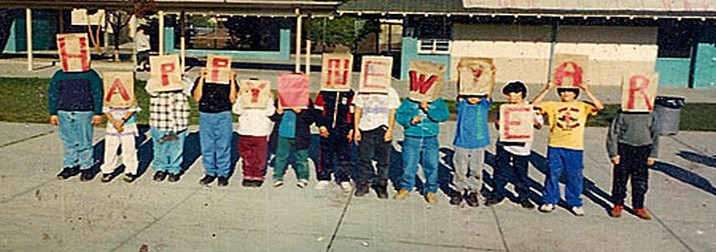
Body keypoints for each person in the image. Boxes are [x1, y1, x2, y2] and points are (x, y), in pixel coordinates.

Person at [532, 81, 604, 216]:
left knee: (574, 175)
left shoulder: (582, 106)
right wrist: (547, 89)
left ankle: (574, 202)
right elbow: (534, 105)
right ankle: (550, 200)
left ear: (575, 94)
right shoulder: (553, 105)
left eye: (569, 91)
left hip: (575, 146)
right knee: (553, 173)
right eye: (563, 91)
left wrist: (586, 89)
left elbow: (599, 107)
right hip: (555, 145)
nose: (565, 94)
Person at [485, 81, 543, 208]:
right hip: (504, 145)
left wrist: (532, 119)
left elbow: (539, 125)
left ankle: (523, 196)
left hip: (522, 147)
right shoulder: (505, 108)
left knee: (521, 174)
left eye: (510, 95)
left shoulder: (531, 108)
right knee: (500, 171)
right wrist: (499, 123)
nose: (508, 98)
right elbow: (498, 126)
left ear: (519, 93)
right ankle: (498, 194)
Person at [49, 69, 104, 181]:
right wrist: (53, 112)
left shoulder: (90, 74)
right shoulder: (60, 74)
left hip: (84, 111)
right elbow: (53, 92)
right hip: (64, 110)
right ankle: (70, 165)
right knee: (68, 140)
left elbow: (98, 92)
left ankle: (86, 166)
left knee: (84, 141)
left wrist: (98, 112)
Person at [394, 97, 449, 203]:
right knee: (409, 163)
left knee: (432, 164)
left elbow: (443, 116)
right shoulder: (409, 101)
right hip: (412, 136)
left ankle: (431, 189)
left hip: (430, 137)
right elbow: (399, 115)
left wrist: (428, 109)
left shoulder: (437, 101)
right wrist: (410, 120)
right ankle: (406, 186)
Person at [606, 109, 659, 219]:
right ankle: (618, 204)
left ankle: (638, 206)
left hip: (643, 149)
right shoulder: (623, 113)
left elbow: (655, 135)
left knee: (641, 181)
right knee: (620, 179)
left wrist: (653, 154)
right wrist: (613, 153)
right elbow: (613, 133)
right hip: (624, 148)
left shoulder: (650, 114)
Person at [352, 87, 401, 198]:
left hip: (382, 128)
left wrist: (390, 130)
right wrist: (356, 129)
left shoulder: (390, 91)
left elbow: (392, 112)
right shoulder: (362, 89)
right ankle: (363, 184)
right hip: (365, 127)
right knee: (364, 158)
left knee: (383, 160)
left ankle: (381, 185)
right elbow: (357, 110)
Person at [193, 70, 238, 187]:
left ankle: (223, 173)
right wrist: (202, 78)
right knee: (207, 145)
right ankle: (210, 172)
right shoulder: (202, 79)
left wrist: (232, 79)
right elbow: (197, 97)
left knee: (223, 145)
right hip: (206, 114)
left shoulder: (227, 80)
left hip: (223, 114)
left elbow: (233, 99)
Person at [449, 93, 492, 207]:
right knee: (460, 168)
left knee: (476, 169)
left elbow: (488, 90)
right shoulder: (463, 104)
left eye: (477, 96)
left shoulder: (483, 104)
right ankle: (458, 190)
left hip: (478, 143)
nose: (474, 98)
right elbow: (461, 87)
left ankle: (473, 191)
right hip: (461, 142)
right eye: (471, 95)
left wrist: (491, 75)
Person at [147, 75, 192, 183]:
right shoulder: (154, 78)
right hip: (160, 119)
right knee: (160, 147)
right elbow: (151, 90)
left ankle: (174, 169)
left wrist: (180, 78)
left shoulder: (185, 80)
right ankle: (160, 168)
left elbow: (190, 91)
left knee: (176, 147)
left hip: (178, 120)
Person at [233, 85, 275, 187]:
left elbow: (271, 112)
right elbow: (236, 110)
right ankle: (247, 174)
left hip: (260, 131)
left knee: (260, 155)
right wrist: (239, 97)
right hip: (245, 130)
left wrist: (270, 98)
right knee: (246, 154)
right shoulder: (244, 99)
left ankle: (258, 175)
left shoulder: (265, 100)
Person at [314, 90, 355, 192]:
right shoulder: (324, 92)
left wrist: (351, 128)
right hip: (327, 127)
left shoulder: (349, 94)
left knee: (344, 153)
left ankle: (344, 178)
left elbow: (353, 112)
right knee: (325, 152)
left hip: (343, 128)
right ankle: (324, 176)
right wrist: (321, 125)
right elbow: (317, 110)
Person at [269, 99, 316, 188]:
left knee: (302, 157)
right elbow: (273, 117)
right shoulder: (280, 100)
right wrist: (278, 112)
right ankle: (278, 176)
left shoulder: (305, 100)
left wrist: (299, 112)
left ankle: (303, 176)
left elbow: (310, 119)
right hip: (283, 134)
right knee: (280, 156)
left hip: (300, 135)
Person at [99, 102, 141, 183]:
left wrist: (122, 121)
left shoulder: (129, 91)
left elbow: (133, 106)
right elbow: (105, 107)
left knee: (129, 148)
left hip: (127, 123)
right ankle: (108, 170)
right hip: (112, 124)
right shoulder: (108, 92)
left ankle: (130, 170)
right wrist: (114, 122)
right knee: (110, 149)